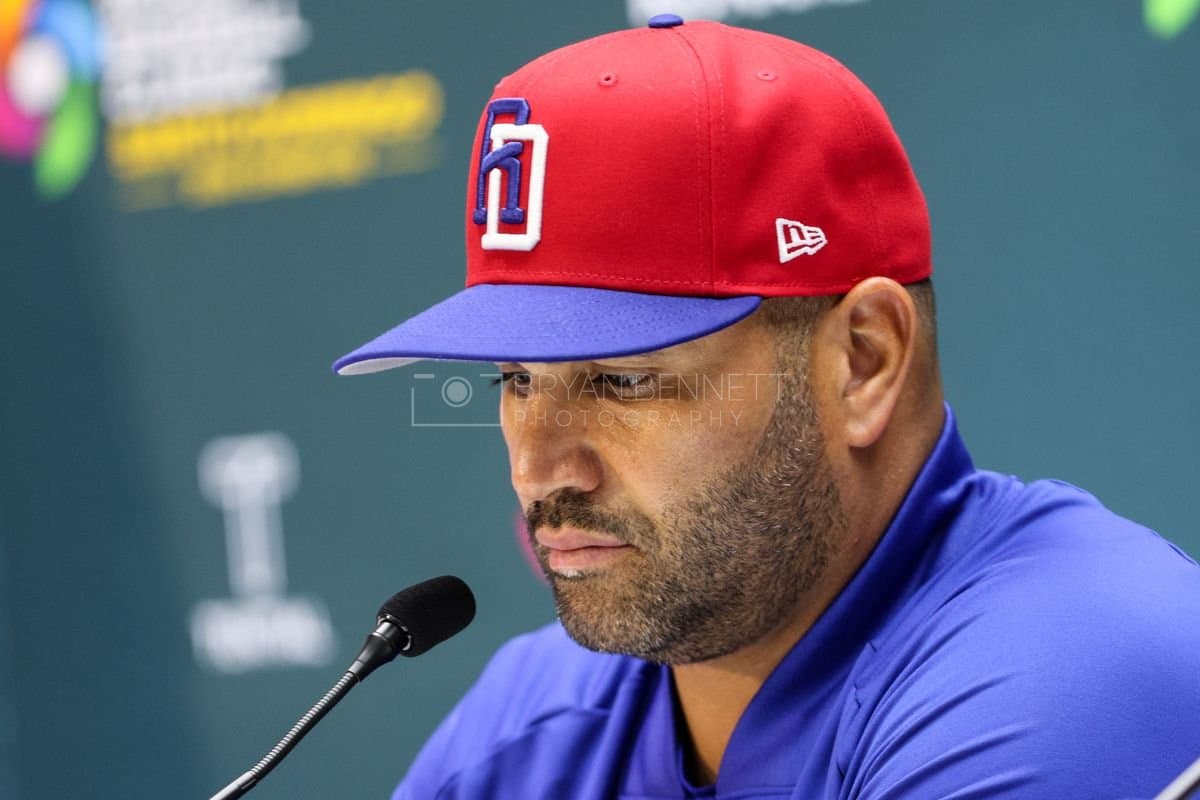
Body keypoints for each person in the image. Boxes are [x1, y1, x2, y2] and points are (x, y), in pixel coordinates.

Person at [334, 16, 1200, 800]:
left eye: (625, 380)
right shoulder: (530, 718)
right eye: (516, 379)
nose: (539, 467)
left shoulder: (1073, 669)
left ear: (865, 360)